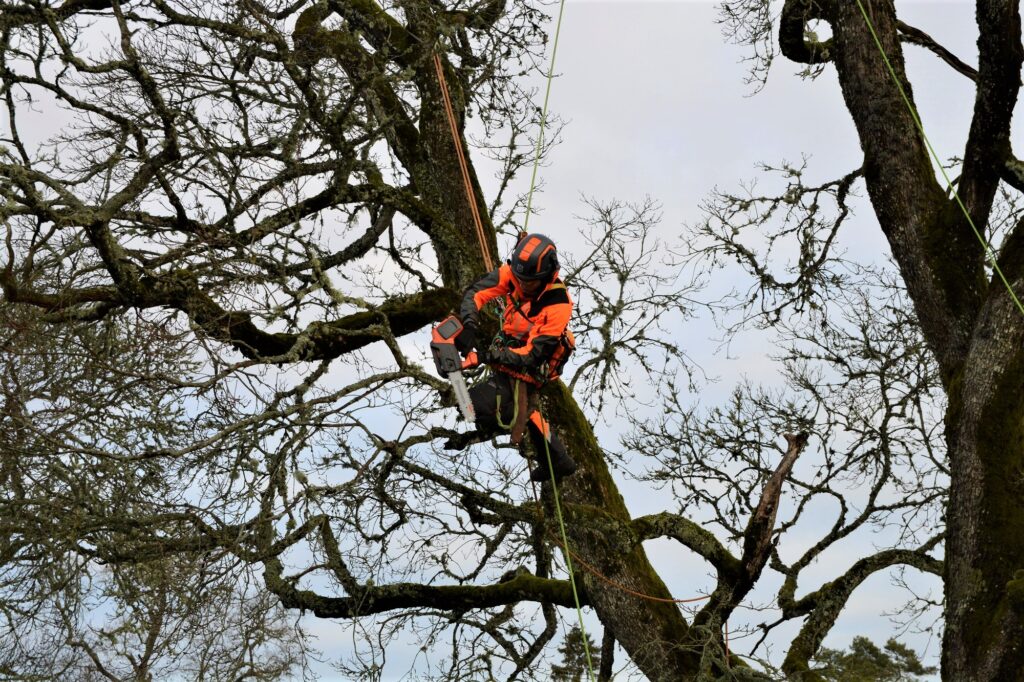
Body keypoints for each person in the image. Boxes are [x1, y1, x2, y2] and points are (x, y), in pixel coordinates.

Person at [455, 233, 578, 482]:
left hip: (535, 361)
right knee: (489, 407)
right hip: (511, 345)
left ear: (546, 276)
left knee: (474, 406)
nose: (521, 286)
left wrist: (488, 356)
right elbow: (476, 293)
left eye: (529, 282)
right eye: (519, 279)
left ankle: (546, 450)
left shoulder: (558, 305)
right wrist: (468, 325)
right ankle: (558, 460)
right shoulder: (516, 275)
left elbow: (532, 356)